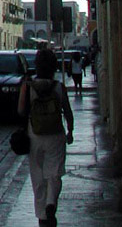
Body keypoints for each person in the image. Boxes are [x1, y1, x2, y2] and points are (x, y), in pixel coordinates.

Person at [18, 47, 74, 227]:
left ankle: (42, 215)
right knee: (55, 173)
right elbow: (68, 112)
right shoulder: (59, 87)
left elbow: (20, 111)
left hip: (35, 135)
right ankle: (51, 203)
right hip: (55, 135)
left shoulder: (28, 86)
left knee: (38, 177)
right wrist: (70, 131)